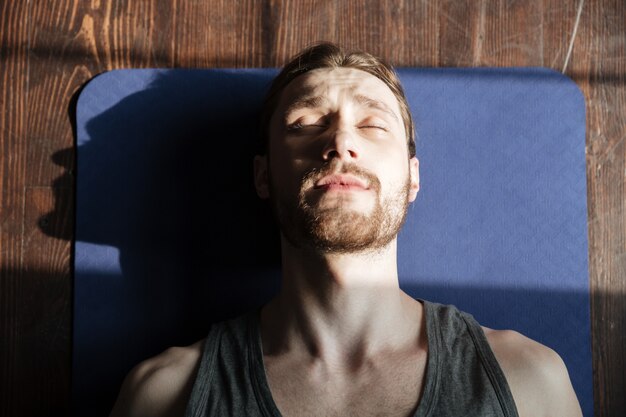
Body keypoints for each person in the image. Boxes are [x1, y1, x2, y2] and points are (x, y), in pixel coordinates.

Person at [109, 42, 582, 417]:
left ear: (413, 176)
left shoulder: (528, 382)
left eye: (374, 124)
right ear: (262, 176)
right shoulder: (166, 395)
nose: (340, 140)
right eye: (305, 122)